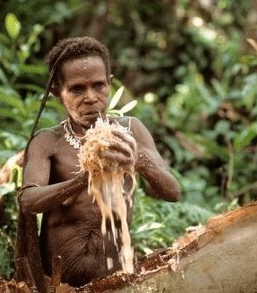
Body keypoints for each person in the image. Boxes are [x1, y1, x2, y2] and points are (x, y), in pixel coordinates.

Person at [16, 36, 180, 288]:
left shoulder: (131, 131)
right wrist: (83, 179)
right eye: (77, 89)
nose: (91, 97)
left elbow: (172, 191)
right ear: (58, 94)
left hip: (117, 281)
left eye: (99, 86)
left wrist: (141, 161)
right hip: (59, 284)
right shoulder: (48, 142)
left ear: (109, 85)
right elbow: (28, 201)